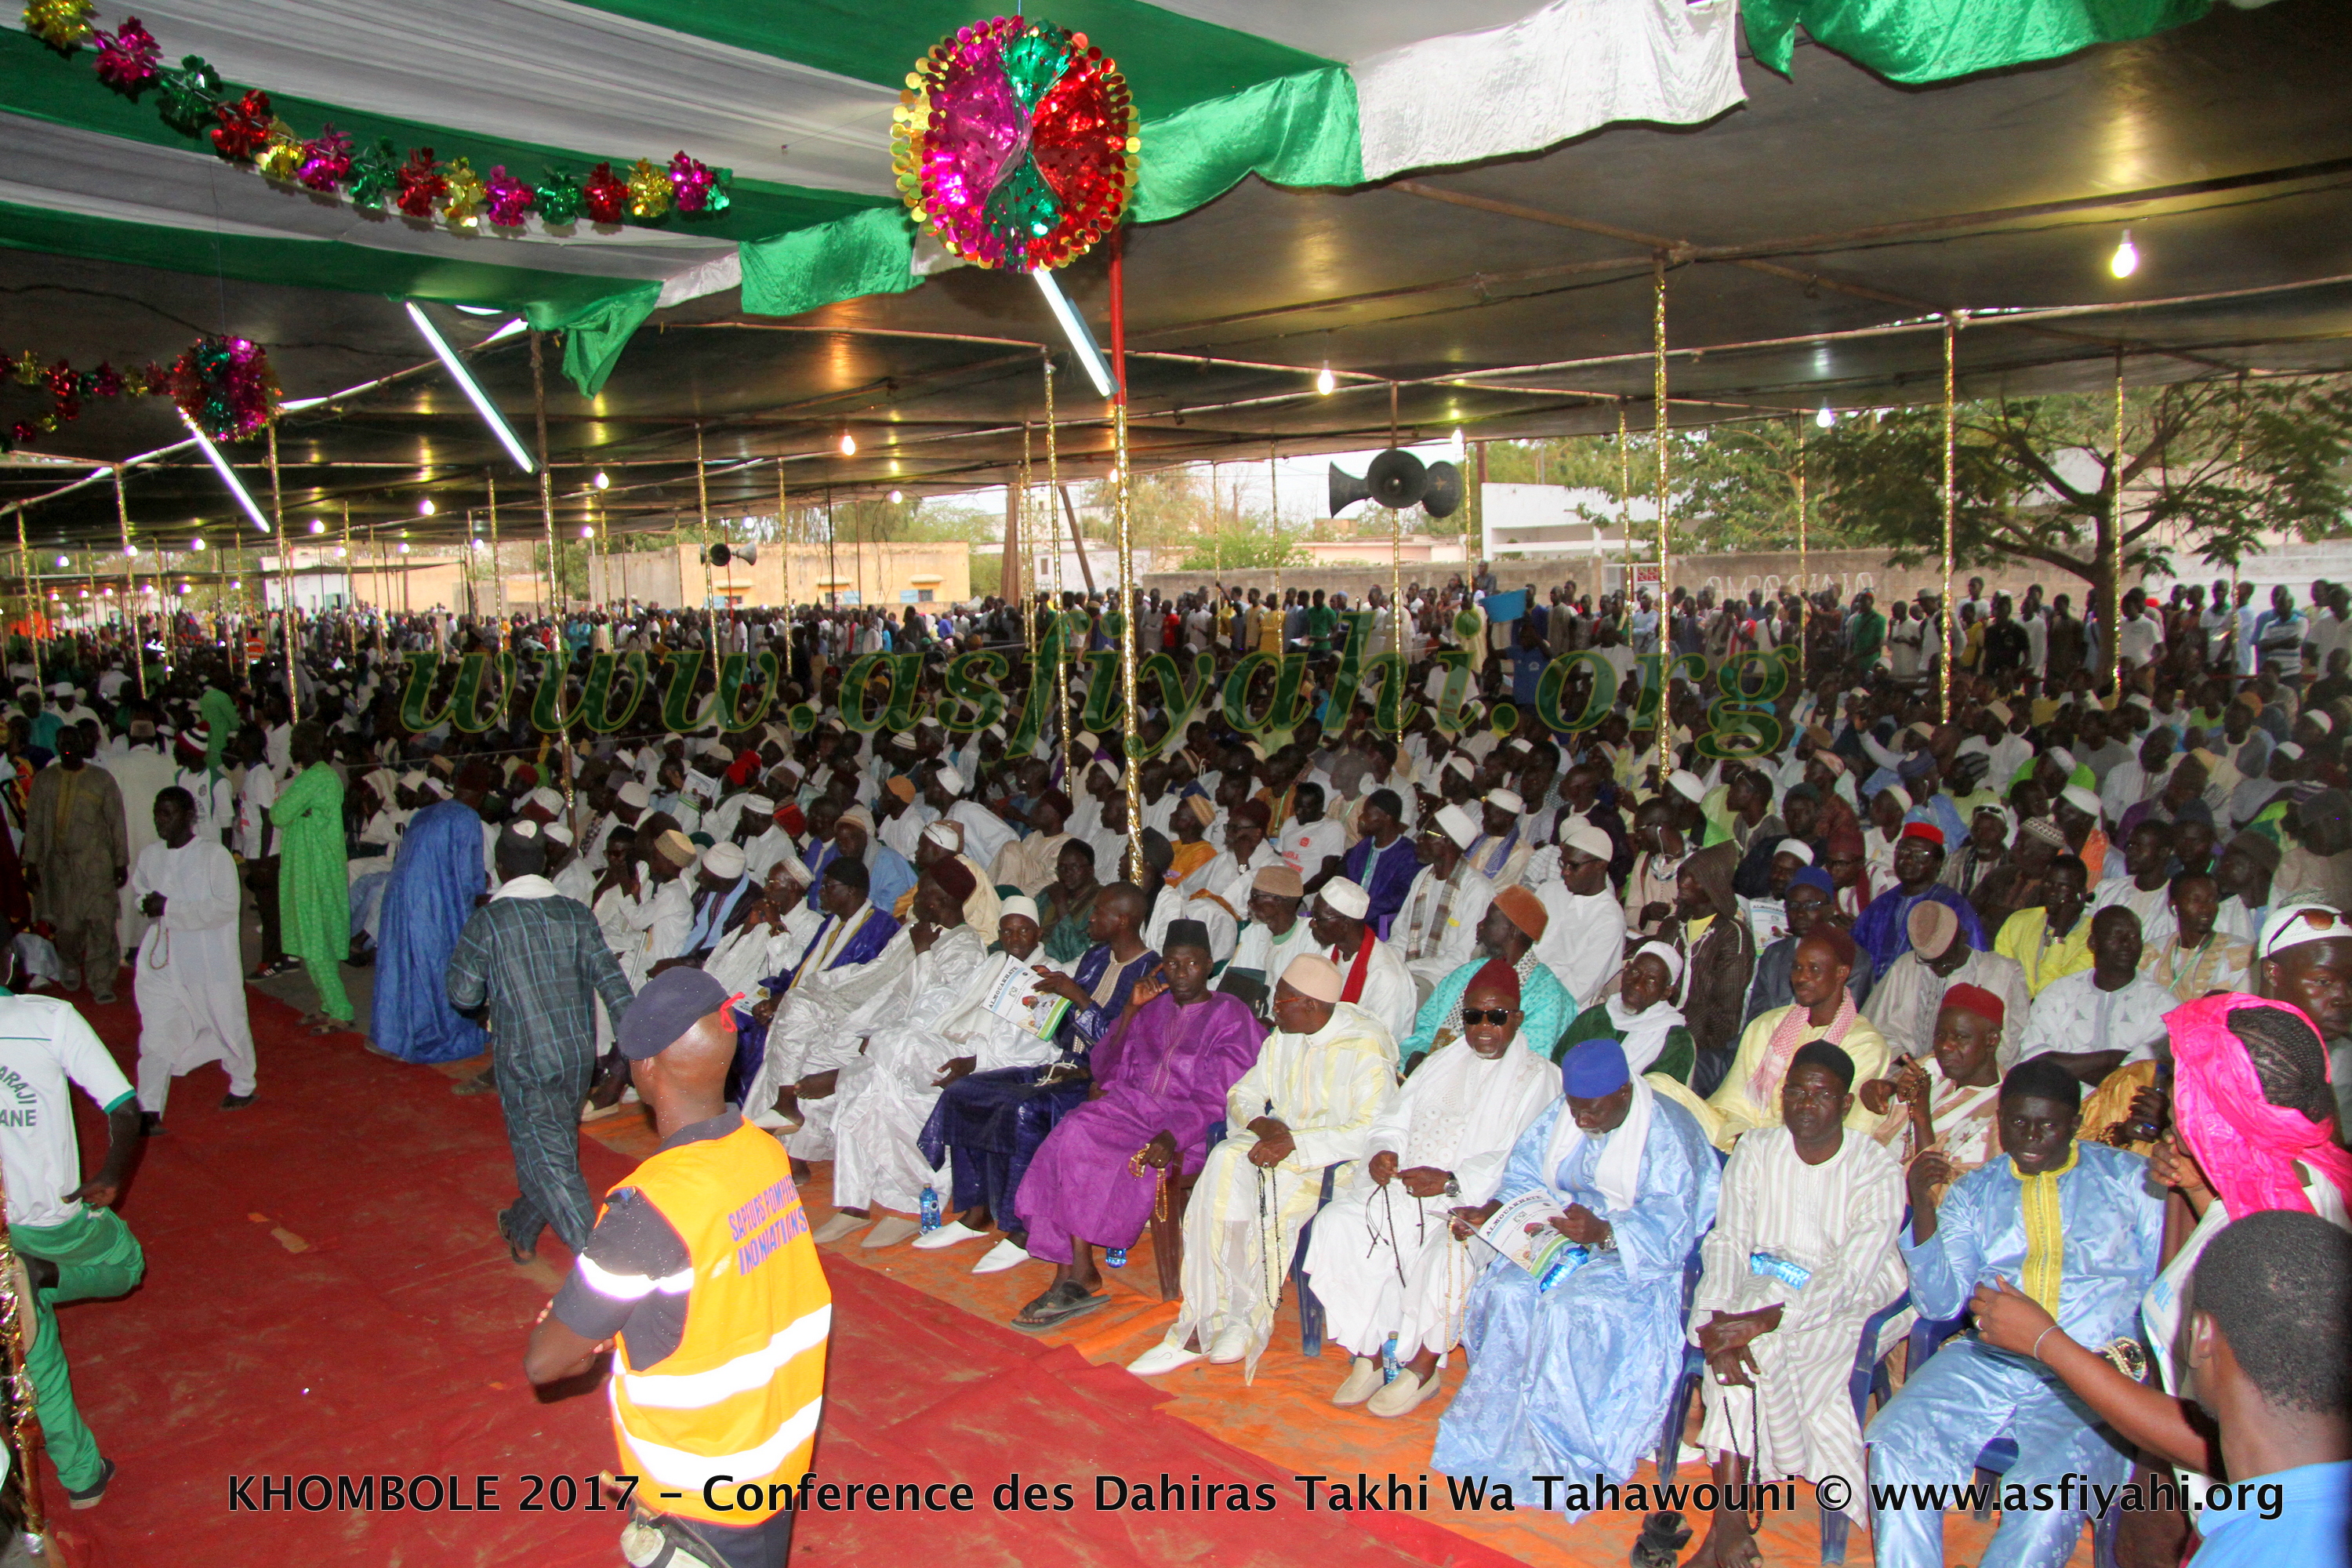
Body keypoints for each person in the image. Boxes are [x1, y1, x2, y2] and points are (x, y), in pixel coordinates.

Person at [525, 967, 827, 1568]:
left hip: (698, 1492)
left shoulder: (649, 1210)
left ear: (645, 1070)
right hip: (774, 1463)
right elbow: (728, 1286)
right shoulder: (764, 1154)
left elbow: (545, 1361)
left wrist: (588, 1338)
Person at [1863, 1058, 2165, 1568]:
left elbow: (2170, 1279)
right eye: (2016, 1122)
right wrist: (1923, 1208)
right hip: (1989, 1362)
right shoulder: (1976, 1191)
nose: (2028, 1136)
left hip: (2093, 1374)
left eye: (2046, 1125)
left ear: (2074, 1123)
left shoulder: (2130, 1182)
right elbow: (1939, 1303)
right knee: (1896, 1447)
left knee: (2046, 1494)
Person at [1430, 1038, 1722, 1517]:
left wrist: (1606, 1232)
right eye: (1574, 1105)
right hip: (1563, 1241)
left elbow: (1675, 1229)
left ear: (1624, 1093)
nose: (1581, 1119)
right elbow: (1524, 1175)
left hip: (1634, 1261)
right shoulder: (1564, 1113)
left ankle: (1565, 1450)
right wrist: (1500, 1214)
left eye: (1593, 1109)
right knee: (1507, 1293)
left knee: (1571, 1311)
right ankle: (1500, 1435)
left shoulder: (1669, 1134)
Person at [1302, 957, 1556, 1416]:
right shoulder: (1441, 1061)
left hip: (1477, 1207)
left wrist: (1453, 1182)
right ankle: (1370, 1354)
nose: (1483, 1027)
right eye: (1473, 1015)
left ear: (1516, 1019)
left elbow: (1524, 1161)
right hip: (1407, 1192)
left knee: (1448, 1255)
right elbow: (1393, 1121)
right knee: (1339, 1223)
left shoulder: (1538, 1077)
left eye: (1496, 1016)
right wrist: (1383, 1152)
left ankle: (1423, 1369)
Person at [1684, 1041, 1904, 1568]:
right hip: (1763, 1283)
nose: (1806, 1104)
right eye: (1796, 1091)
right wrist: (1718, 1321)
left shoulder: (1875, 1169)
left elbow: (1851, 1274)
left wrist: (1759, 1322)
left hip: (1850, 1301)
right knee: (1731, 1362)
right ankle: (1730, 1534)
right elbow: (1729, 1242)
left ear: (1847, 1104)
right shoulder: (1757, 1151)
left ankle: (1724, 1537)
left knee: (1762, 1356)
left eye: (1821, 1094)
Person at [1128, 954, 1396, 1379]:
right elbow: (1242, 1094)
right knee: (1222, 1170)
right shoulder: (1285, 1037)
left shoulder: (1364, 1047)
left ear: (1310, 1005)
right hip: (1277, 1151)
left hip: (1332, 1167)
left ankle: (1248, 1320)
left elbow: (1372, 1131)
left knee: (1264, 1202)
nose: (1273, 1010)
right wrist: (1262, 1123)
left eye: (1283, 1001)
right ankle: (1205, 1316)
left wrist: (1296, 1143)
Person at [1004, 919, 1264, 1329]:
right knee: (1069, 1133)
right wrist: (1129, 1009)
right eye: (1172, 965)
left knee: (1095, 1154)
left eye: (1191, 965)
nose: (1181, 974)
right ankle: (1075, 1270)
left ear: (1209, 965)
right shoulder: (1152, 1008)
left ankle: (1076, 1277)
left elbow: (1219, 1097)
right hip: (1130, 1110)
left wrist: (1172, 1134)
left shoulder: (1230, 1016)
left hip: (1185, 1129)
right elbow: (1105, 1072)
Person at [921, 884, 1163, 1274]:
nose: (1090, 920)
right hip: (1063, 1065)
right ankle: (975, 1213)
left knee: (1024, 1110)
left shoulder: (1152, 974)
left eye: (1098, 912)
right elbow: (1066, 1031)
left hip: (1102, 1083)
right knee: (966, 1091)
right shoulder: (1097, 956)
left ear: (1122, 921)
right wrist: (1039, 1003)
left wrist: (1077, 997)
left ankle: (1021, 1232)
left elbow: (1121, 1049)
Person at [448, 823, 637, 1261]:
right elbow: (614, 985)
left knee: (553, 1163)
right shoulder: (575, 913)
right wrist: (631, 1051)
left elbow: (462, 994)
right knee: (550, 1148)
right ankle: (520, 1225)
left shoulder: (489, 921)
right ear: (545, 864)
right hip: (575, 1059)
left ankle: (601, 1269)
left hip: (524, 1061)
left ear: (499, 866)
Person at [0, 985, 144, 1508]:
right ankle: (40, 1274)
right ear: (12, 961)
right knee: (127, 1264)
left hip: (3, 1227)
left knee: (35, 1346)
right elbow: (126, 1110)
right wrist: (111, 1176)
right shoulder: (48, 1017)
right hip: (52, 1218)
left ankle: (83, 1476)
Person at [809, 862, 995, 1248]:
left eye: (921, 890)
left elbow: (940, 1011)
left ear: (938, 900)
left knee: (878, 1068)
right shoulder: (926, 934)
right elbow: (897, 998)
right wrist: (873, 1032)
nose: (913, 898)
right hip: (900, 1042)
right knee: (861, 1087)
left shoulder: (966, 946)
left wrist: (924, 953)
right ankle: (853, 1204)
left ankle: (911, 1204)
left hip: (940, 1050)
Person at [128, 786, 255, 1133]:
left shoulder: (214, 856)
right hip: (161, 959)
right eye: (157, 812)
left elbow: (226, 907)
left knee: (226, 1021)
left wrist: (169, 908)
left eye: (167, 813)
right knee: (155, 1033)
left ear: (189, 817)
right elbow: (140, 893)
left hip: (206, 960)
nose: (159, 820)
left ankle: (243, 1083)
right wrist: (147, 905)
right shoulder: (150, 855)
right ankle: (149, 1108)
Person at [1704, 927, 1888, 1149]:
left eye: (1814, 969)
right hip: (1742, 1138)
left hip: (1808, 1151)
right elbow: (1735, 1102)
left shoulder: (1864, 1042)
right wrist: (1744, 1138)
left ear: (1841, 973)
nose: (1801, 978)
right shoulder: (1767, 1025)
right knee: (1662, 1087)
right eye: (1797, 968)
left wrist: (1765, 1145)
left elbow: (1849, 1125)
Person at [372, 760, 494, 1063]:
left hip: (401, 899)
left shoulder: (427, 813)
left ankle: (392, 1036)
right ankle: (432, 1037)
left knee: (403, 968)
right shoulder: (467, 819)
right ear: (482, 794)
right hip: (433, 905)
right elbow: (469, 879)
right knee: (437, 968)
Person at [1858, 984, 2007, 1191]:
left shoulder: (2000, 1113)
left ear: (1991, 1041)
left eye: (1960, 1037)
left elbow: (1941, 1194)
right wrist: (1885, 1088)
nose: (1945, 1046)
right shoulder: (1932, 1066)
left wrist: (1921, 1114)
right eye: (1940, 1036)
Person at [23, 724, 129, 1004]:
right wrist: (32, 862)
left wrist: (120, 862)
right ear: (58, 746)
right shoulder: (45, 780)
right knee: (67, 927)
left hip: (96, 865)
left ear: (83, 745)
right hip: (60, 868)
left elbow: (116, 822)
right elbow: (33, 824)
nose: (69, 747)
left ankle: (101, 981)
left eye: (74, 742)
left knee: (101, 924)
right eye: (63, 743)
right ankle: (69, 962)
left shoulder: (101, 780)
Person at [2013, 906, 2174, 1083]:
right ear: (2093, 943)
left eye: (2134, 936)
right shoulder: (2059, 993)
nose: (2127, 944)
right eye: (2116, 936)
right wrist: (2111, 1058)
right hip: (2059, 1103)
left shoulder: (2162, 1004)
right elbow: (2034, 1060)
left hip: (2127, 1106)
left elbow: (2143, 1072)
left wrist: (2068, 1066)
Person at [1864, 900, 2032, 1071]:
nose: (1938, 970)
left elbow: (2010, 1047)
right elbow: (1873, 1030)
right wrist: (1906, 1063)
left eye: (1946, 961)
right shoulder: (1905, 967)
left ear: (1963, 938)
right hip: (1904, 1072)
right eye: (1930, 963)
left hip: (1973, 1079)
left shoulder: (2003, 972)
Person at [270, 720, 352, 1031]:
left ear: (308, 745)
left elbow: (278, 814)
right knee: (310, 937)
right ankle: (327, 1004)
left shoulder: (317, 777)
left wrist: (291, 807)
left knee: (316, 939)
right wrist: (295, 809)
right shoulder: (313, 777)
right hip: (307, 867)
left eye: (295, 743)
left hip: (315, 871)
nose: (291, 749)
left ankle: (341, 1008)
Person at [1555, 940, 1697, 1083]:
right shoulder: (1596, 1016)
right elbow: (1558, 1067)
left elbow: (1663, 1097)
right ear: (1626, 970)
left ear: (1666, 992)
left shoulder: (1675, 1040)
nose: (1637, 985)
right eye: (1635, 972)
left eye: (1652, 981)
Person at [1308, 879, 1417, 1047]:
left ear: (1345, 924)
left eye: (1319, 918)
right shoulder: (1330, 951)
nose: (1312, 923)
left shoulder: (1385, 975)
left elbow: (1379, 1042)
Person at [1992, 852, 2096, 996]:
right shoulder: (2019, 921)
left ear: (2081, 894)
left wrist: (2059, 933)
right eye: (2048, 884)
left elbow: (2051, 993)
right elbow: (2000, 975)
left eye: (2063, 887)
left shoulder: (2092, 938)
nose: (2053, 893)